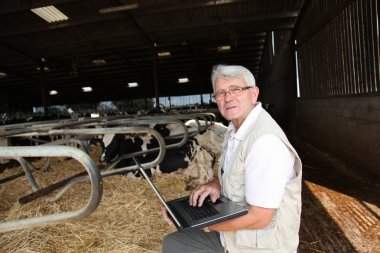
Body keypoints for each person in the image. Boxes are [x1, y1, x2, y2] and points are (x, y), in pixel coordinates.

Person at [161, 64, 302, 253]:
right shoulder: (234, 131)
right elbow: (233, 172)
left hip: (260, 247)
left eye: (235, 89)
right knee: (174, 243)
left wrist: (200, 222)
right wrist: (215, 184)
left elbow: (260, 218)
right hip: (232, 239)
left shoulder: (265, 143)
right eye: (220, 93)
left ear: (253, 94)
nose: (228, 98)